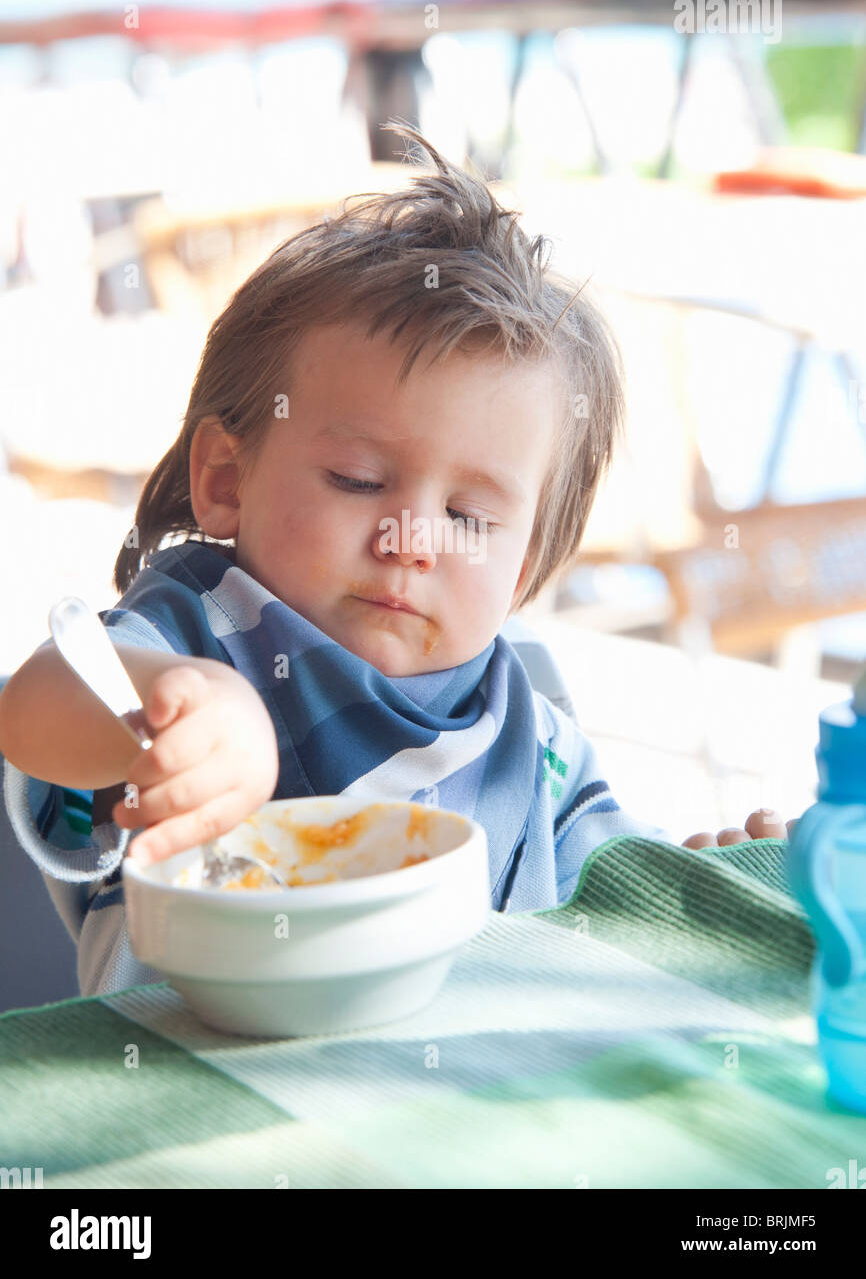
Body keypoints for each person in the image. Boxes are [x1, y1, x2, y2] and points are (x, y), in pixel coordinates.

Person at [0, 121, 793, 998]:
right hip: (200, 1102)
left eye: (466, 515)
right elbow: (36, 705)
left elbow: (604, 914)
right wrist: (170, 710)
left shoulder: (531, 736)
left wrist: (703, 883)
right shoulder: (199, 635)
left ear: (524, 567)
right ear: (227, 478)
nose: (410, 541)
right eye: (359, 479)